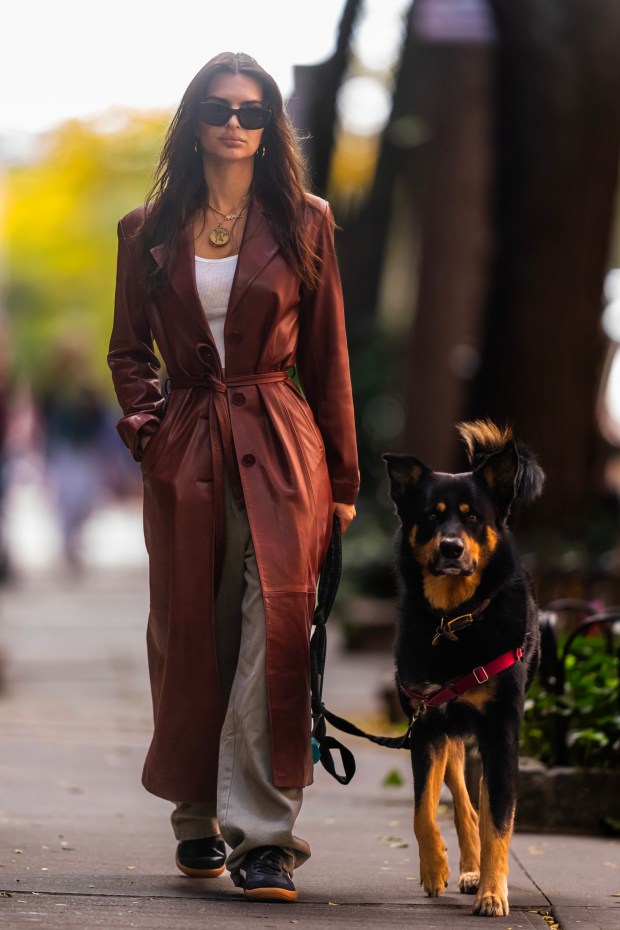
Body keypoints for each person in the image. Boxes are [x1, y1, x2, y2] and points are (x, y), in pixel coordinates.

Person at [108, 52, 359, 902]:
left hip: (284, 451)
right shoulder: (144, 230)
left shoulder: (305, 220)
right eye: (218, 107)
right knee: (191, 633)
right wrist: (148, 427)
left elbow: (329, 358)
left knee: (274, 632)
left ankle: (265, 838)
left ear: (270, 125)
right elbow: (126, 350)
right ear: (196, 119)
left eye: (252, 111)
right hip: (186, 450)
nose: (235, 122)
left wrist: (348, 480)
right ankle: (195, 816)